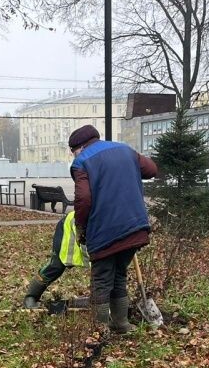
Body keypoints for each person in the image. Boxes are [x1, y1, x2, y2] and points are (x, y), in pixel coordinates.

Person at [69, 124, 158, 334]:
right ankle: (121, 323)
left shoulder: (81, 161)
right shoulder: (125, 150)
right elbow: (151, 170)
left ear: (79, 148)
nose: (73, 156)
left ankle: (99, 330)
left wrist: (81, 226)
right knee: (119, 274)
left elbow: (83, 199)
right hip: (135, 226)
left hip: (105, 230)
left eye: (72, 152)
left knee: (101, 279)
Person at [22, 211, 87, 308]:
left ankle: (101, 300)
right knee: (56, 265)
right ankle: (32, 296)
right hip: (72, 228)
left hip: (98, 231)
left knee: (104, 270)